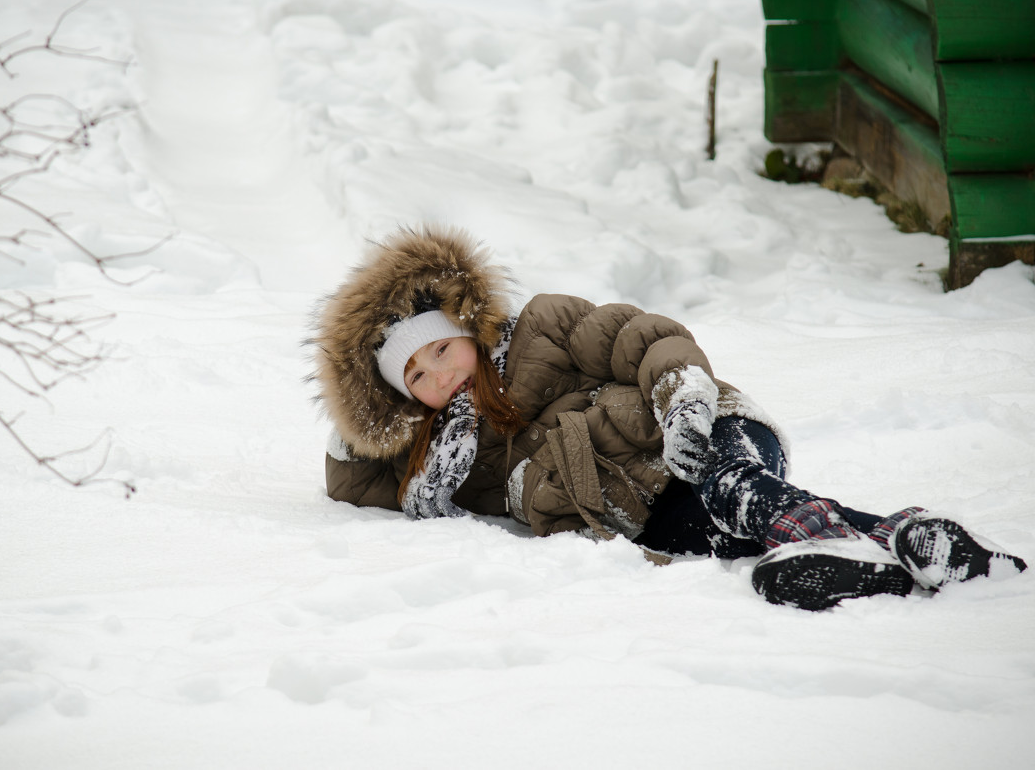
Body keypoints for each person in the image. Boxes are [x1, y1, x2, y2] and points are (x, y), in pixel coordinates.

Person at [310, 226, 1027, 610]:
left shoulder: (541, 328)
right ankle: (902, 543)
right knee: (719, 533)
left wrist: (685, 397)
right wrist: (380, 428)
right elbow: (347, 475)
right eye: (416, 375)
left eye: (441, 347)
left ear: (464, 322)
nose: (441, 373)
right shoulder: (450, 460)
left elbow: (641, 338)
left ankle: (828, 539)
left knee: (732, 486)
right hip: (642, 505)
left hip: (696, 427)